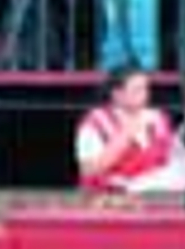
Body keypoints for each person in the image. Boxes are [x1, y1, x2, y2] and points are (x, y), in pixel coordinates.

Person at [73, 63, 175, 194]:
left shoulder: (158, 118)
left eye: (146, 89)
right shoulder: (95, 122)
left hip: (153, 194)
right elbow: (89, 170)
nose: (144, 94)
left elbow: (169, 160)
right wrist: (127, 134)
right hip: (108, 197)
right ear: (117, 94)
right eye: (137, 90)